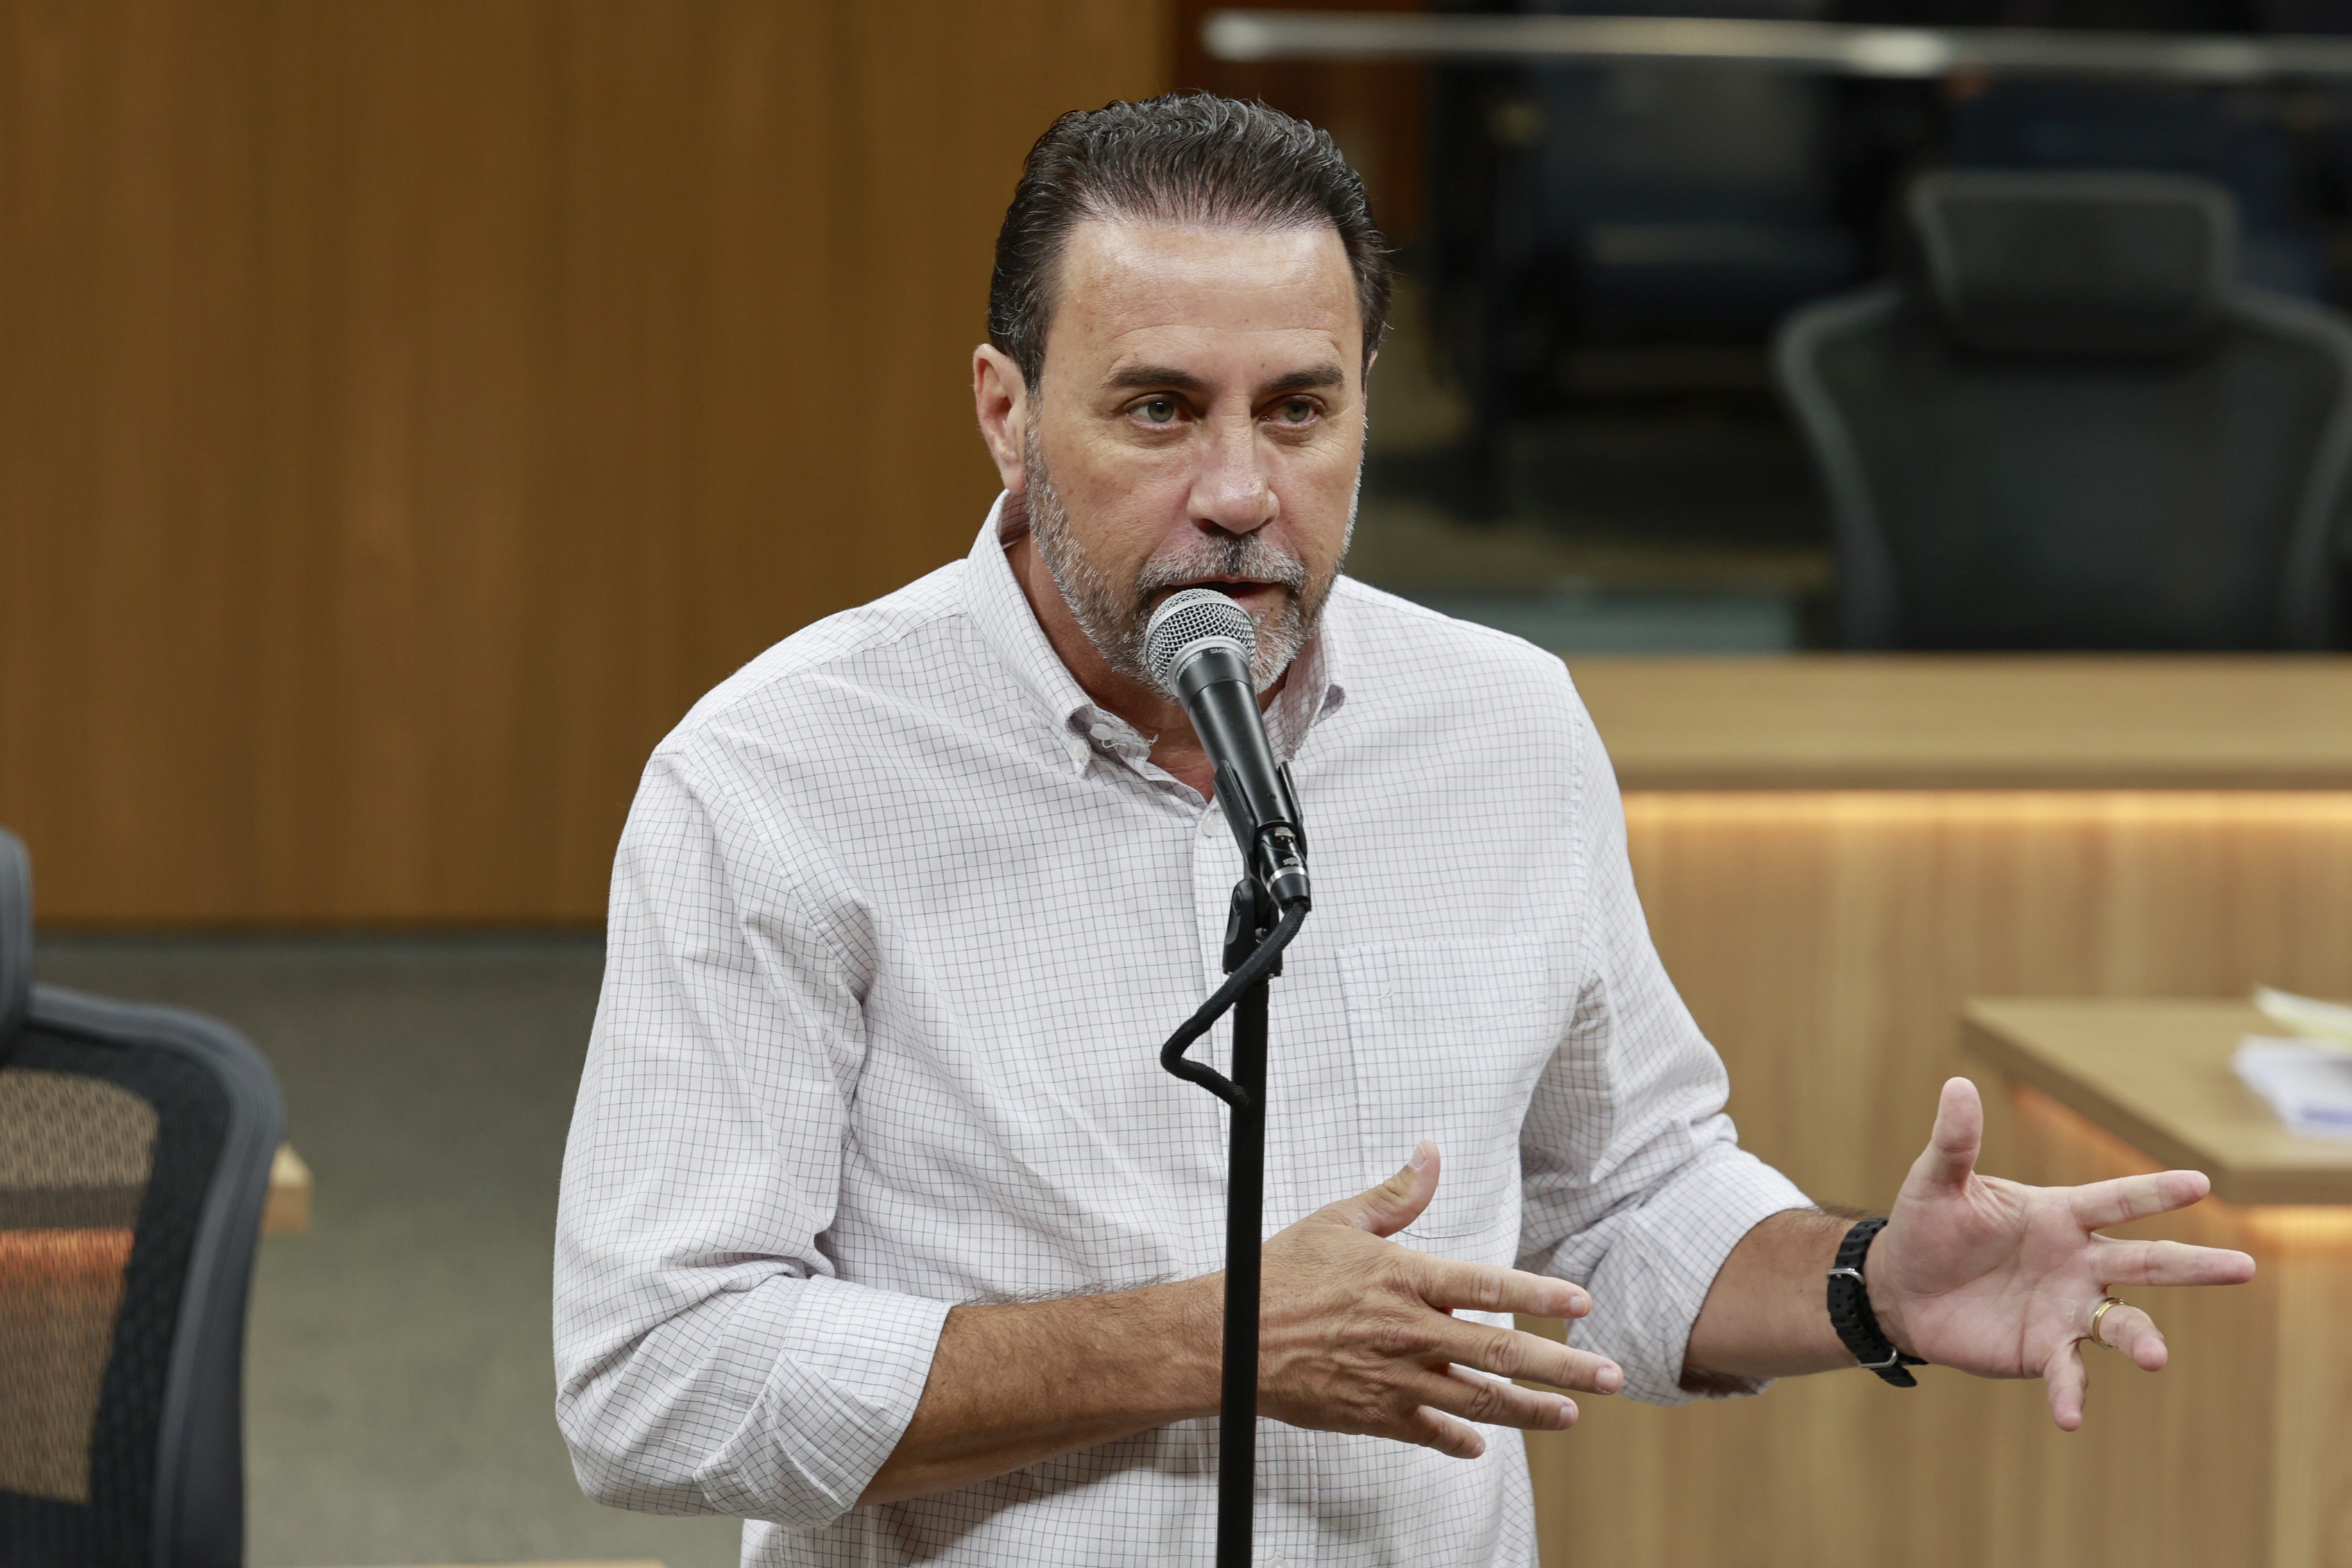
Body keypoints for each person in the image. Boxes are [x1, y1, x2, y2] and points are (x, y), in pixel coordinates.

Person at [552, 95, 2255, 1567]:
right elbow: (656, 1373)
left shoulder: (1503, 726)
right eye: (1159, 410)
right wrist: (1214, 1341)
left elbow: (1624, 1194)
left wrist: (1869, 1280)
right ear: (1006, 413)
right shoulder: (781, 775)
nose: (1240, 491)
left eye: (1299, 410)